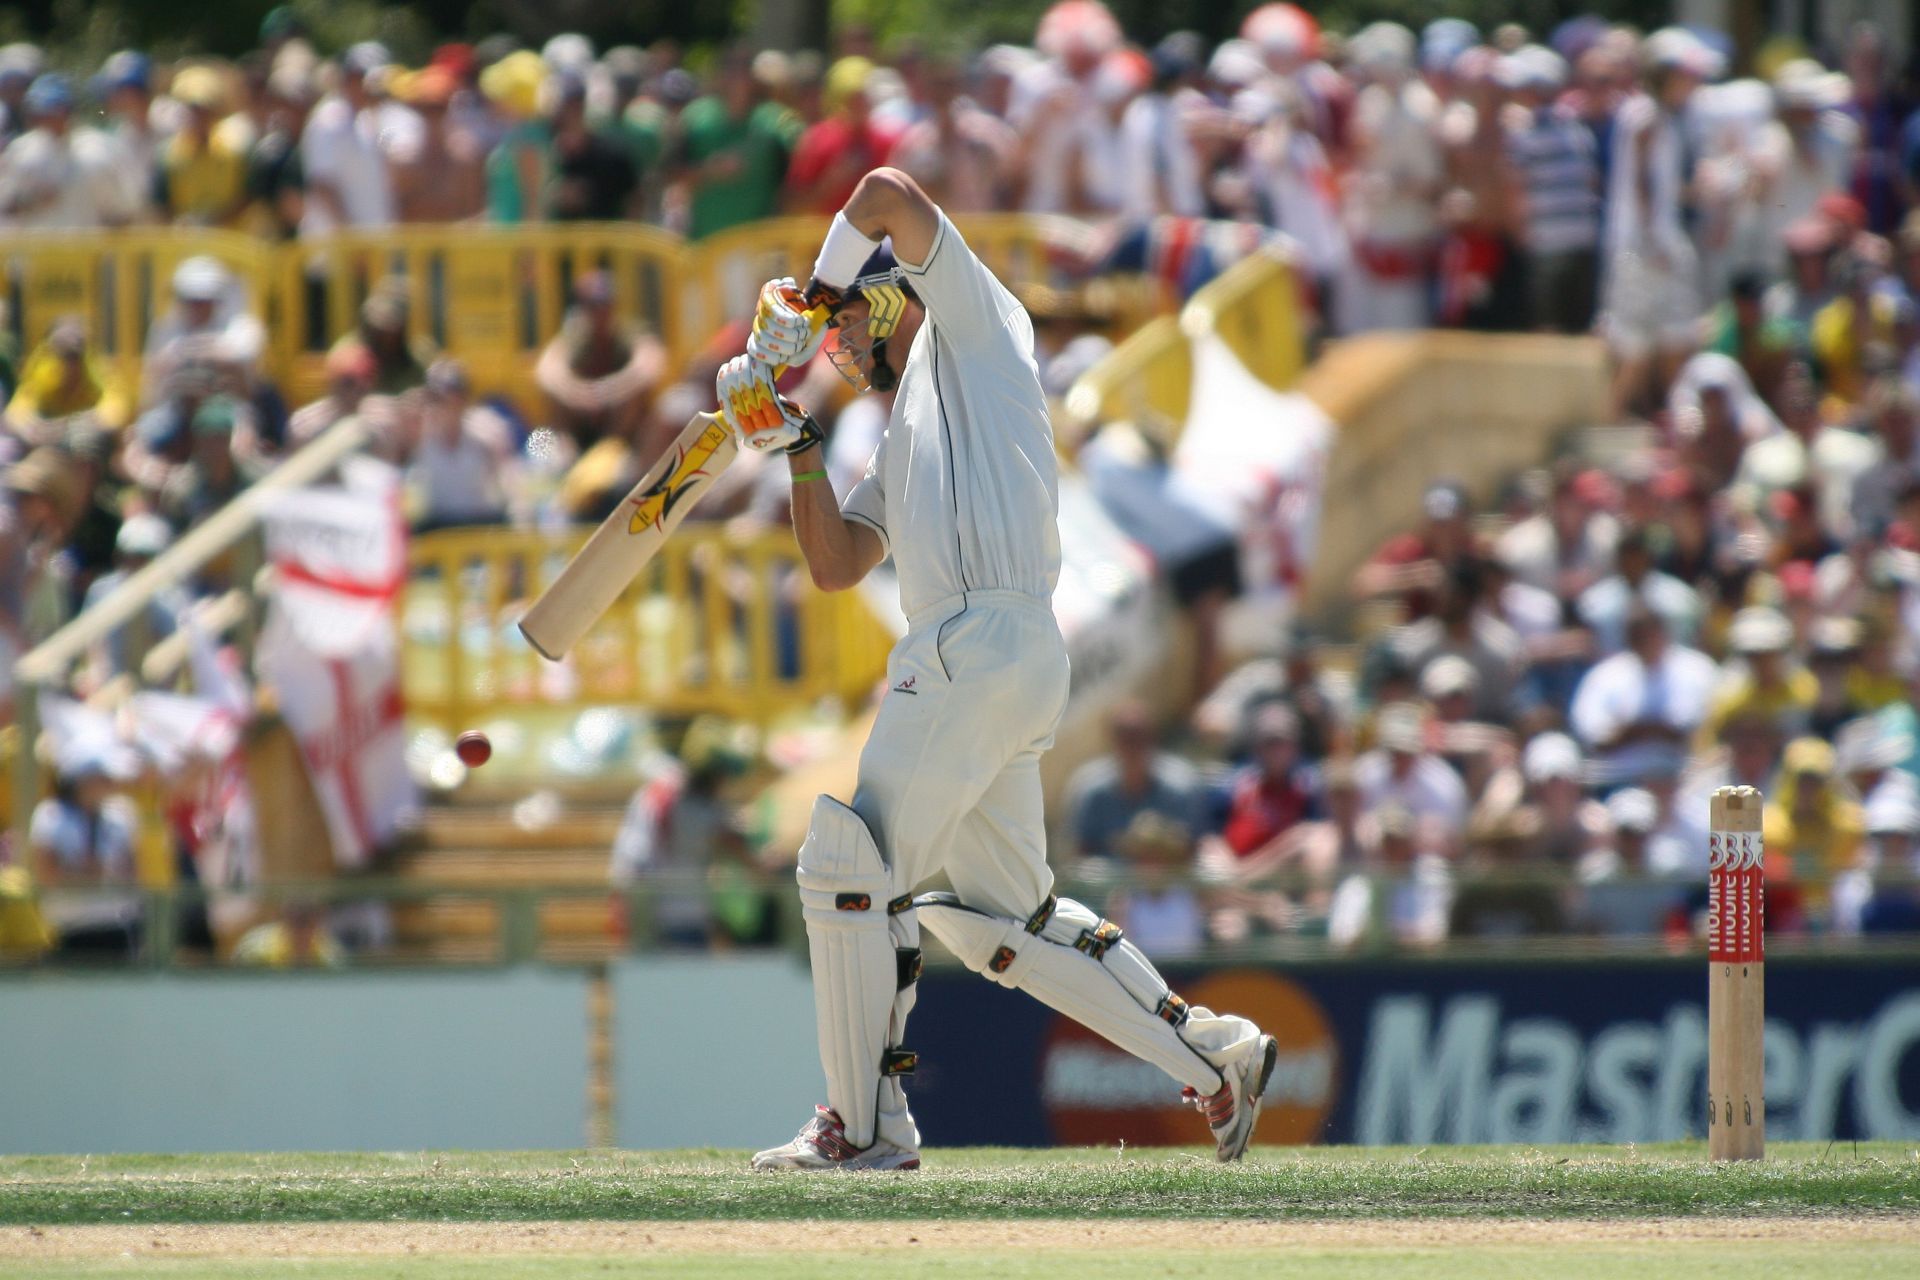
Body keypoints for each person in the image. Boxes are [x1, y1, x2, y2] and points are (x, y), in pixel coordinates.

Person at [719, 166, 1275, 1170]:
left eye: (846, 322)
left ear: (889, 297)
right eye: (828, 330)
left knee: (849, 868)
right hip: (997, 656)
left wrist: (813, 286)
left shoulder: (972, 325)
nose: (836, 344)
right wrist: (793, 443)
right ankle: (1212, 1058)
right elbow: (839, 562)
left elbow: (885, 190)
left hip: (977, 643)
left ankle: (863, 1124)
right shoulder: (902, 433)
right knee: (1001, 919)